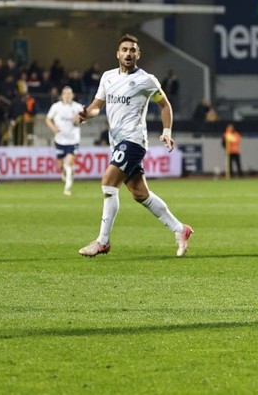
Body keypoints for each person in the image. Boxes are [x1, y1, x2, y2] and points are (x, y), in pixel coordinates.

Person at [75, 34, 193, 257]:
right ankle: (180, 229)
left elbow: (165, 105)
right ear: (117, 54)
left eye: (132, 50)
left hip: (134, 140)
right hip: (117, 142)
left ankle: (102, 242)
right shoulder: (107, 77)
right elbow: (96, 107)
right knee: (140, 194)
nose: (128, 54)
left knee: (108, 182)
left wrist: (167, 131)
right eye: (125, 50)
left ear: (138, 54)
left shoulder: (146, 80)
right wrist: (85, 114)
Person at [45, 86, 84, 196]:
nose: (67, 95)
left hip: (73, 139)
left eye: (69, 93)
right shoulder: (56, 106)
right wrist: (53, 128)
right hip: (60, 139)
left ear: (72, 95)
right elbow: (48, 119)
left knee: (70, 163)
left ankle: (67, 188)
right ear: (62, 95)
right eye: (65, 93)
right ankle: (64, 172)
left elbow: (83, 120)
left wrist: (79, 120)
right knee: (60, 165)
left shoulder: (78, 107)